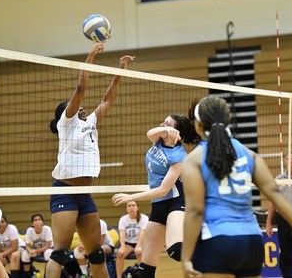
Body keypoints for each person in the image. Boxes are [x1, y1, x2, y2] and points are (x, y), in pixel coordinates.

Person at [180, 96, 292, 278]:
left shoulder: (194, 159)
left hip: (217, 241)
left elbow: (195, 211)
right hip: (252, 242)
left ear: (198, 125)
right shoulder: (249, 155)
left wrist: (186, 257)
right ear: (228, 122)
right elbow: (275, 194)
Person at [46, 42, 135, 278]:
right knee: (60, 253)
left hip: (84, 194)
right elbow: (81, 87)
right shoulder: (67, 123)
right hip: (64, 191)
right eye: (74, 106)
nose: (81, 106)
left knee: (97, 253)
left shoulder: (90, 123)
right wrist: (90, 57)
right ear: (66, 113)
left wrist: (121, 70)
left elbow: (107, 100)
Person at [112, 113, 199, 278]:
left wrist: (131, 197)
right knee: (145, 270)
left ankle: (213, 252)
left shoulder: (179, 156)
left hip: (176, 202)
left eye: (166, 124)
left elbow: (163, 190)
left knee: (175, 251)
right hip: (158, 205)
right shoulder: (158, 141)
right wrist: (165, 129)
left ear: (175, 132)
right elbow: (150, 133)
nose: (161, 125)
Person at [265, 151, 292, 278]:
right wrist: (268, 222)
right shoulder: (278, 179)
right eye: (288, 159)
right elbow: (273, 202)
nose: (290, 162)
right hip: (282, 218)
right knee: (285, 254)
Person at [116, 201, 148, 278]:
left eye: (133, 205)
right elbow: (122, 234)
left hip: (142, 242)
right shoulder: (123, 219)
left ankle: (141, 275)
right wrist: (122, 247)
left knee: (139, 252)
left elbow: (142, 233)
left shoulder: (144, 218)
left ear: (137, 208)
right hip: (128, 243)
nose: (131, 207)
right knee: (120, 254)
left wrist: (138, 245)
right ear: (126, 209)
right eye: (129, 206)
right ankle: (119, 276)